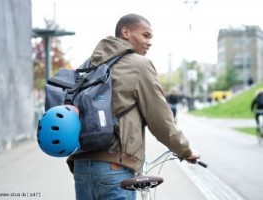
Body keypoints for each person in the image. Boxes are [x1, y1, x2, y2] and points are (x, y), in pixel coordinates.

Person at [67, 13, 200, 200]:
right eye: (145, 35)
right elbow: (160, 120)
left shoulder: (88, 65)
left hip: (81, 167)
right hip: (115, 168)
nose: (150, 42)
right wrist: (185, 151)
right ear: (126, 32)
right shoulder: (140, 65)